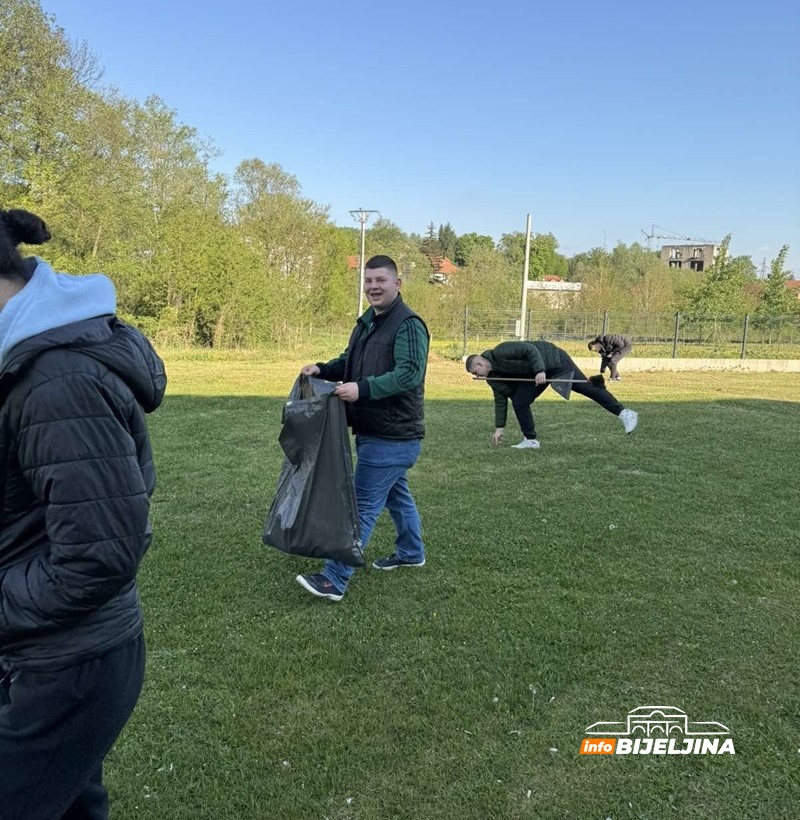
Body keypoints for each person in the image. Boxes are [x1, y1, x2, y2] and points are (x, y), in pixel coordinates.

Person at [0, 208, 166, 820]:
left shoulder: (56, 379)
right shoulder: (22, 356)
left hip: (68, 665)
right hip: (44, 655)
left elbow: (99, 556)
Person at [296, 254, 429, 602]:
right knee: (397, 496)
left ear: (397, 284)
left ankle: (335, 579)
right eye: (369, 281)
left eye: (381, 280)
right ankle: (412, 552)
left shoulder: (408, 324)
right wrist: (323, 369)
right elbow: (350, 362)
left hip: (394, 434)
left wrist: (362, 389)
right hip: (375, 430)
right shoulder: (367, 322)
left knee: (362, 505)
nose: (373, 286)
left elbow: (409, 374)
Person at [465, 339, 638, 449]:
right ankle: (531, 440)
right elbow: (500, 400)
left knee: (584, 388)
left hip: (554, 360)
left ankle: (625, 413)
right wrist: (499, 428)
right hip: (536, 375)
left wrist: (540, 370)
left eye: (475, 372)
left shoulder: (501, 351)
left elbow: (530, 349)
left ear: (480, 363)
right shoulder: (492, 378)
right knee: (519, 401)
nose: (476, 376)